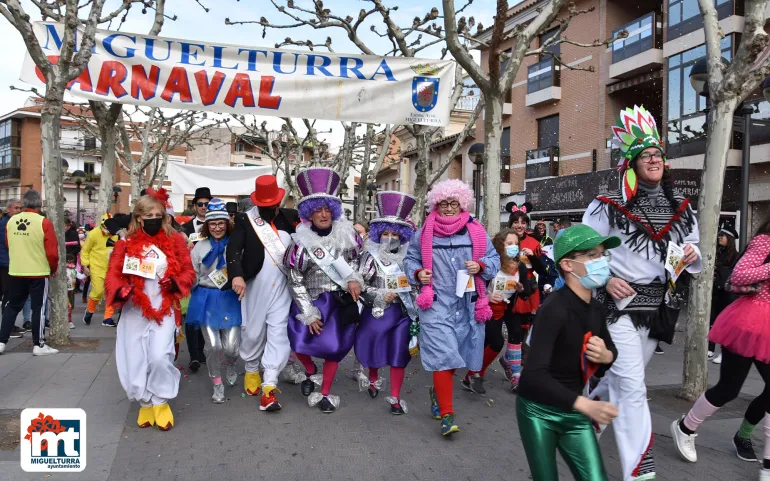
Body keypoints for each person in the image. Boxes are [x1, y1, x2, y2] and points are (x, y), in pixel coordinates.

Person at [583, 105, 701, 481]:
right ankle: (640, 472)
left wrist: (692, 253)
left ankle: (581, 431)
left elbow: (692, 250)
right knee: (633, 386)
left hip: (656, 311)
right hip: (616, 308)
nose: (653, 160)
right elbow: (579, 252)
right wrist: (604, 279)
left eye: (658, 155)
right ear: (631, 164)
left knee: (618, 381)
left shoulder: (682, 209)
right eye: (645, 155)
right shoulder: (606, 207)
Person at [518, 224, 620, 481]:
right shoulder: (553, 309)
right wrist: (586, 405)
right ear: (567, 265)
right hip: (538, 412)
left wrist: (606, 356)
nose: (601, 261)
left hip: (575, 413)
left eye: (602, 255)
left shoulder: (596, 309)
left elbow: (610, 352)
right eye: (592, 255)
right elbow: (533, 375)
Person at [671, 216, 770, 479]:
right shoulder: (764, 242)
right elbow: (740, 274)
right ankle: (685, 427)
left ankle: (762, 458)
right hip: (748, 323)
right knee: (729, 388)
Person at [404, 179, 500, 436]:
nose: (448, 208)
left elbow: (493, 259)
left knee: (457, 352)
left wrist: (481, 266)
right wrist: (417, 272)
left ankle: (438, 391)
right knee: (443, 355)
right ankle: (447, 413)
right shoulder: (424, 232)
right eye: (443, 203)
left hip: (467, 303)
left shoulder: (476, 230)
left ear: (462, 203)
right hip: (435, 303)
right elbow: (411, 258)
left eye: (453, 203)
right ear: (436, 204)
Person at [105, 191, 195, 431]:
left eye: (158, 215)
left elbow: (188, 271)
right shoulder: (125, 243)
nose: (154, 219)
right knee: (134, 359)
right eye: (148, 215)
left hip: (163, 309)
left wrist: (176, 284)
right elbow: (113, 274)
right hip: (135, 310)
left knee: (159, 357)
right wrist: (121, 290)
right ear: (138, 217)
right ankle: (145, 400)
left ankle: (161, 400)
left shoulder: (176, 241)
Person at [283, 167, 363, 414]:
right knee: (296, 340)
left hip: (338, 302)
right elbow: (294, 279)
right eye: (318, 210)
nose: (324, 214)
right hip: (309, 300)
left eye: (328, 209)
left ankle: (325, 392)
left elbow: (357, 262)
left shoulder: (348, 238)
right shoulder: (300, 244)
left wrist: (354, 278)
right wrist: (308, 312)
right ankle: (310, 371)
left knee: (333, 347)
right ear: (309, 214)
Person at [228, 175, 299, 411]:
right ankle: (250, 368)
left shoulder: (291, 218)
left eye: (273, 205)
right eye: (265, 206)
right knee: (253, 330)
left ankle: (269, 384)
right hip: (256, 284)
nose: (270, 209)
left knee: (279, 333)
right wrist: (236, 275)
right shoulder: (245, 219)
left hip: (282, 285)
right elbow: (234, 248)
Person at [355, 191, 418, 415]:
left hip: (401, 314)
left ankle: (396, 397)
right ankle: (373, 379)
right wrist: (381, 294)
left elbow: (417, 286)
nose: (390, 237)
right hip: (377, 313)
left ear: (402, 235)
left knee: (399, 355)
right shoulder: (369, 257)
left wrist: (414, 294)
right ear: (378, 234)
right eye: (385, 233)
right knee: (373, 348)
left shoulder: (410, 259)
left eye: (395, 233)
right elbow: (360, 286)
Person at [187, 199, 242, 404]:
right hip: (206, 298)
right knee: (213, 346)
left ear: (227, 224)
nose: (217, 227)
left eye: (221, 223)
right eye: (213, 224)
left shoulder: (236, 245)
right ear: (207, 226)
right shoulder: (199, 247)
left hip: (230, 298)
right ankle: (217, 383)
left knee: (231, 348)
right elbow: (192, 274)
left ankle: (231, 363)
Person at [461, 228, 526, 394]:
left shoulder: (520, 265)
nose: (513, 247)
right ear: (499, 245)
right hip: (485, 309)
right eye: (509, 243)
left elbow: (527, 291)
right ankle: (473, 374)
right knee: (495, 342)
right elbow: (474, 284)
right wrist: (487, 296)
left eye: (516, 244)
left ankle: (472, 376)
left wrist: (520, 290)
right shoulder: (492, 262)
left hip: (503, 310)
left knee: (490, 343)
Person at [0, 190, 59, 356]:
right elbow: (52, 252)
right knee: (38, 308)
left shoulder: (11, 222)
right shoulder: (44, 222)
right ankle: (38, 344)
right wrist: (53, 268)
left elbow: (8, 243)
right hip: (38, 272)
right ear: (40, 204)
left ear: (24, 204)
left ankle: (1, 341)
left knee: (11, 307)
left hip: (16, 270)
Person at [507, 204, 548, 391]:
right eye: (516, 222)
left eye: (523, 222)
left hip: (529, 290)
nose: (519, 225)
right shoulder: (503, 240)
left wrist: (533, 258)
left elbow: (543, 271)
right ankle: (516, 374)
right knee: (514, 332)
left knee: (525, 330)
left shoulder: (533, 243)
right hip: (508, 289)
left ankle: (509, 360)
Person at [181, 186, 212, 371]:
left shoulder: (218, 225)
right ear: (194, 206)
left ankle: (202, 351)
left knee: (205, 317)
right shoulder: (184, 228)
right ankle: (193, 355)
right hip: (190, 277)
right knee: (191, 316)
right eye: (200, 204)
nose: (203, 207)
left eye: (206, 204)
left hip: (211, 279)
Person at [81, 214, 118, 327]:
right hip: (97, 267)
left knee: (112, 293)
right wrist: (85, 265)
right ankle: (90, 311)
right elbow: (85, 250)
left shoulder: (117, 234)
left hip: (112, 268)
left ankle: (107, 318)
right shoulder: (93, 234)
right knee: (97, 291)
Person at [709, 225, 739, 364]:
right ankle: (710, 349)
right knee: (711, 320)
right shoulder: (716, 252)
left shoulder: (736, 256)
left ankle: (723, 352)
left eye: (723, 235)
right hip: (715, 292)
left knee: (725, 323)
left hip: (728, 294)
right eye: (719, 235)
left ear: (730, 239)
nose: (720, 237)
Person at [0, 199, 24, 338]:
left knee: (9, 296)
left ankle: (8, 326)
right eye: (16, 208)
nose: (19, 211)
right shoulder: (6, 224)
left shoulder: (10, 223)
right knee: (8, 297)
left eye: (20, 208)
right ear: (8, 209)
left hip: (10, 263)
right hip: (6, 264)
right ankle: (6, 328)